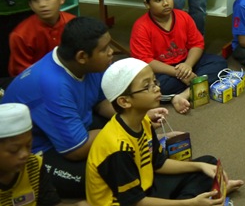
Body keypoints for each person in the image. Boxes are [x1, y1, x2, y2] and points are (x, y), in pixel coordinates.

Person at [3, 17, 167, 199]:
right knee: (111, 173)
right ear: (82, 56)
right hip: (41, 149)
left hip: (79, 123)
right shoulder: (54, 86)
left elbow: (101, 102)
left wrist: (139, 118)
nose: (111, 52)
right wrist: (126, 134)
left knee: (128, 143)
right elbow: (76, 150)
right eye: (104, 49)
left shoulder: (88, 64)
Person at [86, 58, 243, 206]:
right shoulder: (117, 148)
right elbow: (134, 202)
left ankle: (209, 195)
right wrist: (190, 203)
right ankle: (206, 198)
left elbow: (159, 164)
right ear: (124, 101)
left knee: (208, 163)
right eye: (147, 86)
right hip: (129, 201)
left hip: (145, 185)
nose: (157, 88)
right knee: (195, 193)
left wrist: (200, 166)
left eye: (155, 81)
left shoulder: (142, 121)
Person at [129, 0, 228, 115]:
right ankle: (197, 84)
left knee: (219, 63)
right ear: (147, 4)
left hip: (185, 63)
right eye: (158, 0)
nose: (165, 3)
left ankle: (184, 94)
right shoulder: (141, 27)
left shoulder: (183, 17)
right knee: (154, 87)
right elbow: (145, 60)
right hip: (162, 70)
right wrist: (177, 73)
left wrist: (187, 65)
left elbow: (197, 43)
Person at [0, 103, 89, 206]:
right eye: (14, 150)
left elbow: (51, 203)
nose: (25, 154)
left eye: (28, 146)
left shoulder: (34, 165)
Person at [9, 0, 75, 77]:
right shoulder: (20, 35)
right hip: (37, 81)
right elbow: (23, 73)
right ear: (31, 5)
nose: (42, 4)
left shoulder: (73, 23)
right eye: (35, 0)